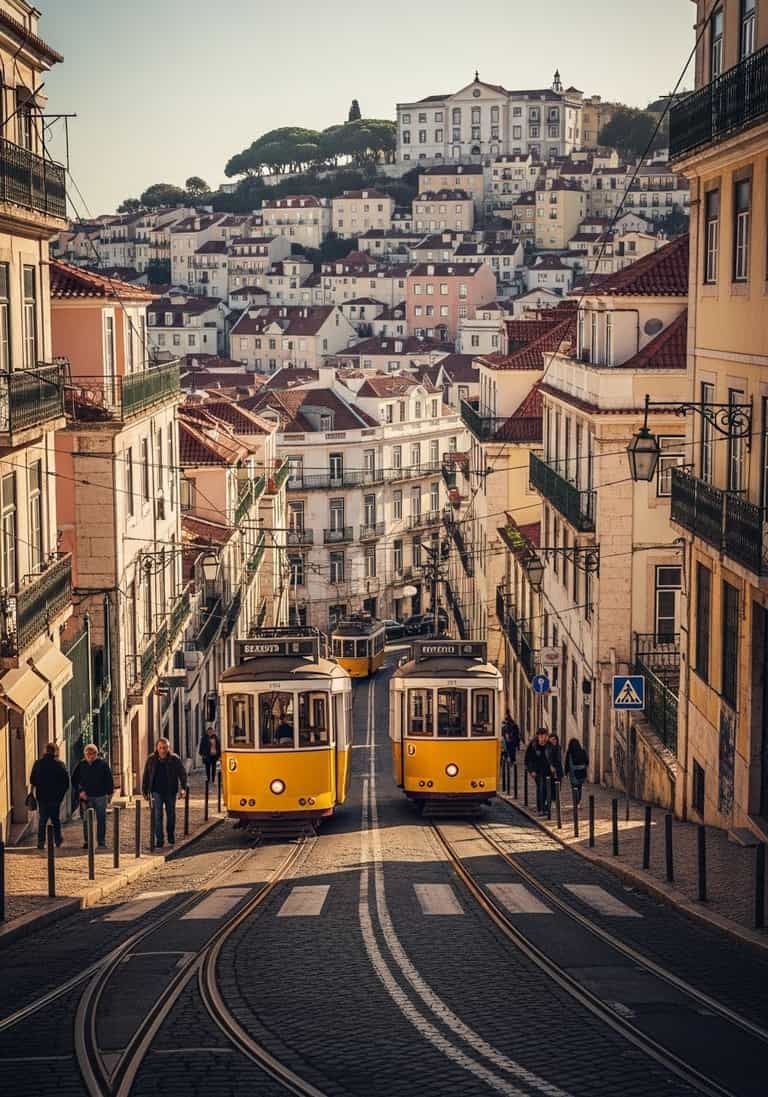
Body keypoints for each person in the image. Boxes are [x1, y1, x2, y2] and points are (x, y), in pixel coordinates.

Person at [142, 737, 188, 848]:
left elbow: (182, 774)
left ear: (169, 748)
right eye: (161, 748)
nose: (163, 750)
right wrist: (145, 791)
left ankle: (171, 836)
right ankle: (160, 840)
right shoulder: (151, 759)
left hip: (170, 791)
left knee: (171, 815)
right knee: (158, 816)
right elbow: (146, 776)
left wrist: (183, 788)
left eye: (165, 748)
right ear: (157, 748)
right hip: (156, 792)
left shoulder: (174, 759)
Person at [71, 744, 114, 849]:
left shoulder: (103, 764)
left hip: (100, 796)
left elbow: (109, 780)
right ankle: (87, 841)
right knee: (86, 820)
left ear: (96, 754)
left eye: (92, 753)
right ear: (84, 754)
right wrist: (80, 791)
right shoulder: (81, 765)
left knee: (101, 819)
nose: (90, 756)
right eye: (88, 754)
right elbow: (74, 779)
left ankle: (101, 842)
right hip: (86, 797)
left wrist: (109, 794)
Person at [29, 743, 70, 850]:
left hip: (42, 796)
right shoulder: (60, 764)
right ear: (55, 752)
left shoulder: (38, 764)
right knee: (55, 819)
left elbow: (32, 779)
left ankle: (41, 842)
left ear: (45, 751)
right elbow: (66, 783)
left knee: (42, 820)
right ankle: (58, 840)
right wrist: (60, 796)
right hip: (55, 797)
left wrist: (34, 791)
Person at [524, 728, 553, 815]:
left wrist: (554, 767)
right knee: (541, 788)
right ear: (538, 736)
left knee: (548, 789)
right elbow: (527, 760)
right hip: (537, 772)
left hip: (548, 771)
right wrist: (531, 770)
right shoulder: (533, 746)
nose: (543, 738)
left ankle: (546, 807)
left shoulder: (549, 745)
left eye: (545, 736)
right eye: (541, 736)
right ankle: (541, 809)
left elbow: (554, 758)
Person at [565, 738, 589, 804]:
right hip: (582, 772)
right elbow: (587, 761)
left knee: (574, 787)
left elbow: (567, 763)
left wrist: (566, 772)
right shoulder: (583, 751)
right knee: (580, 787)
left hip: (573, 773)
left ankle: (575, 801)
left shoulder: (569, 753)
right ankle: (578, 800)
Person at [548, 732, 564, 803]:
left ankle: (556, 799)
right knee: (552, 785)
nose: (553, 741)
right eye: (552, 740)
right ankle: (553, 799)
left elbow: (559, 758)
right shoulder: (548, 748)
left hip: (558, 768)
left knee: (558, 784)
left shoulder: (559, 747)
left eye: (555, 739)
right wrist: (551, 766)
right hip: (551, 768)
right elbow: (548, 758)